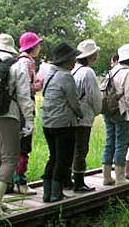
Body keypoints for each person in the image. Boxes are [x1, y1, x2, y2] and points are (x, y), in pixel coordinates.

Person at [0, 34, 34, 215]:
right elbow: (24, 96)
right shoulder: (17, 66)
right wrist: (29, 120)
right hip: (6, 116)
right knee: (10, 159)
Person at [41, 42, 83, 202]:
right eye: (73, 58)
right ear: (66, 60)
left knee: (53, 157)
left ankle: (47, 193)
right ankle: (56, 194)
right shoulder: (66, 76)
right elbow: (74, 103)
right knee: (63, 159)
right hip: (64, 124)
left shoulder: (50, 74)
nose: (74, 62)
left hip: (48, 123)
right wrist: (80, 115)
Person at [101, 44, 129, 185]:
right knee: (122, 143)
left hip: (108, 110)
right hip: (122, 112)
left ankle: (106, 176)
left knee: (109, 142)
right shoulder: (128, 73)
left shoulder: (112, 71)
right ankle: (120, 178)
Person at [11, 32, 43, 195]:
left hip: (12, 110)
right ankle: (21, 183)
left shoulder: (16, 61)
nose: (40, 47)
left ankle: (9, 183)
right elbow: (24, 88)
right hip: (24, 110)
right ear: (33, 47)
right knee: (24, 147)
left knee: (12, 148)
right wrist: (39, 85)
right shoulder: (27, 63)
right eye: (38, 44)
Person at [70, 39, 102, 192]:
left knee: (71, 148)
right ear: (90, 56)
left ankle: (68, 179)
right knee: (81, 149)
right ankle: (79, 182)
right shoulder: (87, 72)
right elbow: (94, 97)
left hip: (70, 116)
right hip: (83, 116)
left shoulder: (72, 70)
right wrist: (97, 111)